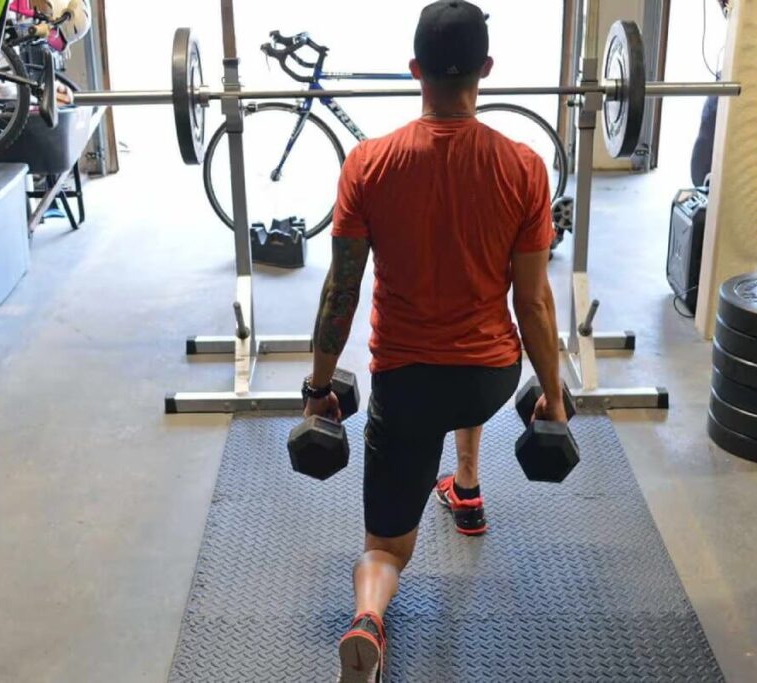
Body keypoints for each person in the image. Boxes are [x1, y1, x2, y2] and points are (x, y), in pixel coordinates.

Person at [300, 2, 567, 680]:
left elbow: (341, 291)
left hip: (405, 379)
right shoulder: (525, 167)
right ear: (486, 70)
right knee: (472, 360)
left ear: (415, 71)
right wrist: (555, 399)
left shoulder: (368, 163)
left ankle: (368, 618)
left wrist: (318, 388)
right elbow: (532, 302)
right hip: (489, 375)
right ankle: (468, 487)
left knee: (386, 545)